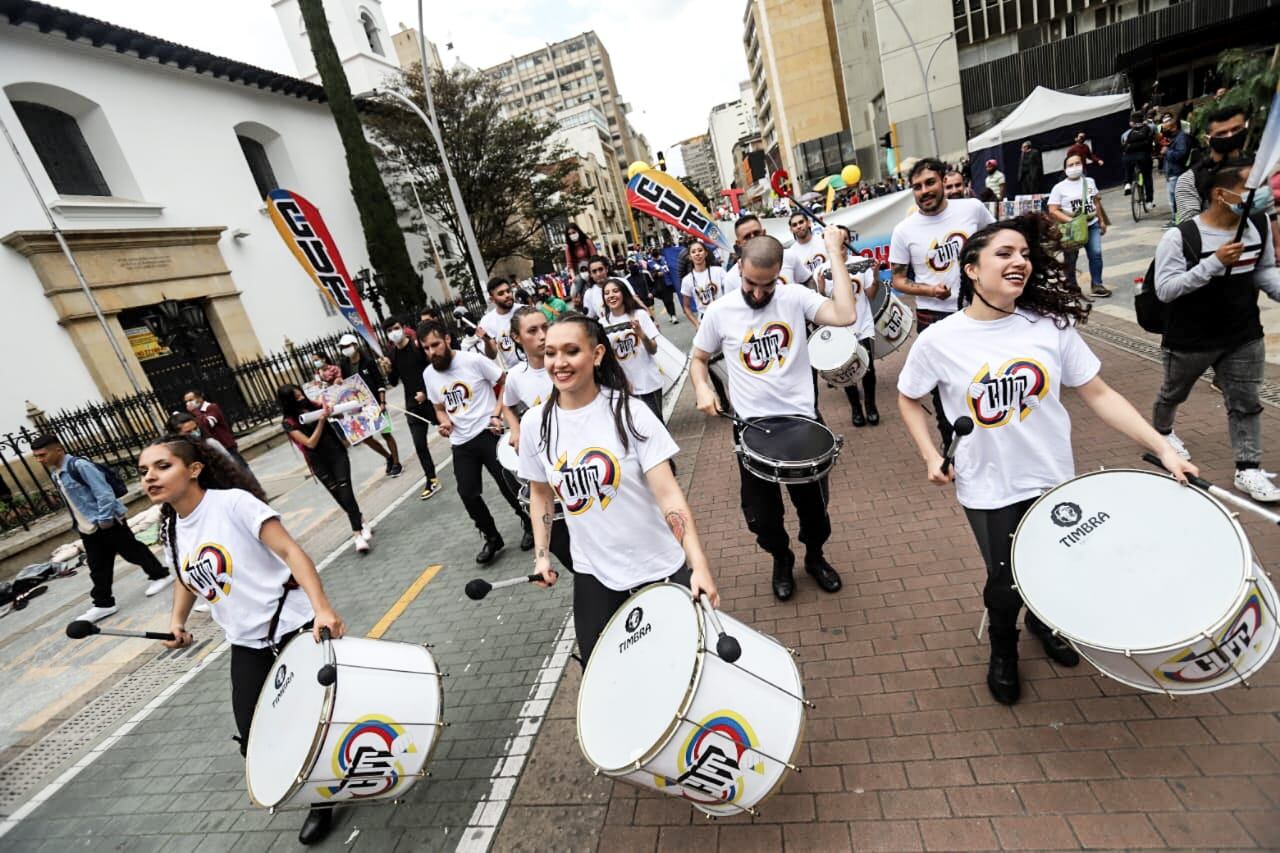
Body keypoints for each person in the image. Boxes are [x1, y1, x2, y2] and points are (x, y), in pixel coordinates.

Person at [896, 214, 1198, 705]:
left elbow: (1099, 394)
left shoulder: (1049, 327)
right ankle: (1003, 649)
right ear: (971, 269)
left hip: (1053, 478)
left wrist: (1164, 447)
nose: (1019, 261)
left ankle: (1043, 622)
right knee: (1005, 580)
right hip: (988, 485)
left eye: (1024, 254)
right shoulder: (939, 340)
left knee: (1056, 564)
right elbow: (908, 398)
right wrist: (931, 453)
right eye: (1004, 253)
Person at [142, 433, 344, 845]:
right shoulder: (171, 529)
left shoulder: (233, 504)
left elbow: (290, 552)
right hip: (247, 642)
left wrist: (322, 608)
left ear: (194, 469)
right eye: (143, 471)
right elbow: (185, 577)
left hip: (293, 626)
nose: (149, 477)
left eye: (162, 466)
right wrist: (177, 621)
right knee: (254, 736)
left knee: (317, 717)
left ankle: (322, 799)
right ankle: (315, 782)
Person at [519, 313, 719, 663]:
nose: (559, 363)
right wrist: (541, 556)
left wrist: (697, 564)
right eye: (550, 353)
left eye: (571, 351)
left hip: (658, 566)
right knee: (602, 672)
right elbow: (540, 493)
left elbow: (669, 495)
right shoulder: (536, 424)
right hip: (594, 574)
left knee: (679, 665)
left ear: (596, 354)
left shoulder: (630, 413)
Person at [690, 231, 857, 601]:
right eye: (751, 283)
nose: (758, 293)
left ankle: (815, 556)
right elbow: (698, 359)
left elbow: (846, 314)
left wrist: (834, 252)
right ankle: (781, 558)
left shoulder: (794, 297)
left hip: (802, 423)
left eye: (767, 285)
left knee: (815, 510)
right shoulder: (720, 311)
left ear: (780, 273)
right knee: (762, 515)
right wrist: (702, 387)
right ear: (739, 269)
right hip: (751, 429)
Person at [1152, 159, 1280, 501]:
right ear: (1221, 194)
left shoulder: (1258, 224)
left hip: (1243, 334)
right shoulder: (1181, 237)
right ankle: (1163, 431)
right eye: (1251, 188)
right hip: (1190, 339)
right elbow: (1166, 289)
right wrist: (1214, 263)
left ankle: (1248, 468)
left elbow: (1263, 270)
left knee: (1245, 402)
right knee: (1172, 393)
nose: (1262, 194)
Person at [889, 157, 996, 445]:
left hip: (979, 311)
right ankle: (953, 450)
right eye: (917, 187)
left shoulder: (972, 209)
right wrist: (929, 290)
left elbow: (996, 242)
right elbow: (898, 280)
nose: (924, 191)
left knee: (987, 378)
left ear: (943, 181)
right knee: (944, 390)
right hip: (933, 318)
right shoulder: (904, 231)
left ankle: (991, 439)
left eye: (929, 183)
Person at [419, 320, 530, 561]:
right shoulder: (428, 374)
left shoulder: (472, 361)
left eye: (435, 345)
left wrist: (497, 413)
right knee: (467, 493)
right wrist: (444, 423)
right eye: (426, 348)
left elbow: (505, 382)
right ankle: (492, 537)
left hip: (488, 432)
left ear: (447, 339)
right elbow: (439, 408)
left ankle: (529, 523)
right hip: (461, 442)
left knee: (506, 484)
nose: (431, 352)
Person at [31, 435, 171, 622]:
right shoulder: (56, 473)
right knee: (98, 566)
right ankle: (103, 604)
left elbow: (104, 494)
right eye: (36, 456)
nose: (40, 460)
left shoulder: (80, 466)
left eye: (42, 455)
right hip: (88, 527)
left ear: (58, 450)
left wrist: (104, 520)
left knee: (131, 551)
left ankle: (160, 575)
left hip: (107, 522)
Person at [500, 307, 573, 570]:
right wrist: (515, 429)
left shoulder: (570, 363)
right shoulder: (516, 377)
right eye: (533, 330)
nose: (543, 335)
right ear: (516, 338)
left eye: (546, 326)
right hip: (551, 466)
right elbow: (507, 405)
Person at [1175, 105, 1280, 257]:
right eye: (1222, 133)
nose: (1230, 136)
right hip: (1215, 257)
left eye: (1236, 129)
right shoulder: (1190, 179)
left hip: (1259, 254)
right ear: (1208, 139)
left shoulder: (1256, 169)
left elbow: (1269, 212)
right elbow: (1189, 229)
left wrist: (1277, 245)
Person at [277, 385, 371, 553]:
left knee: (345, 489)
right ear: (288, 401)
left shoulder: (315, 406)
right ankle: (361, 521)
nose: (301, 398)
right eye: (296, 397)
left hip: (336, 452)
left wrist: (333, 409)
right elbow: (310, 443)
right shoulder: (288, 422)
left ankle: (357, 534)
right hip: (318, 461)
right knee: (339, 495)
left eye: (301, 394)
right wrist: (321, 421)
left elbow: (338, 411)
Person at [379, 316, 441, 500]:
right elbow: (393, 382)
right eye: (389, 331)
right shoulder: (391, 354)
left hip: (431, 400)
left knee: (451, 430)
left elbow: (432, 370)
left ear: (403, 327)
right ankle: (431, 479)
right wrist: (388, 370)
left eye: (396, 328)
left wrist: (425, 392)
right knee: (420, 445)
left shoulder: (417, 347)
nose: (394, 333)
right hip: (412, 405)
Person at [827, 225, 881, 426]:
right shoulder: (823, 269)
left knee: (868, 368)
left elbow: (871, 295)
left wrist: (876, 276)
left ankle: (871, 406)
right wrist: (821, 288)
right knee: (846, 371)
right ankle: (856, 409)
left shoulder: (861, 263)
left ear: (849, 241)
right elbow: (825, 303)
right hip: (840, 329)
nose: (841, 244)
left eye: (845, 239)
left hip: (863, 325)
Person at [337, 333, 403, 478]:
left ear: (355, 345)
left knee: (386, 433)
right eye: (342, 347)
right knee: (365, 437)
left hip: (375, 404)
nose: (345, 349)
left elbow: (380, 382)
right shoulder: (344, 364)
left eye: (347, 346)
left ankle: (397, 462)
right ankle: (388, 457)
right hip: (358, 407)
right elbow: (347, 385)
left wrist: (382, 402)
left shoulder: (368, 362)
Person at [1047, 153, 1112, 298]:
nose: (1074, 167)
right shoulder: (1059, 188)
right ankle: (1072, 286)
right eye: (1070, 165)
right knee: (1071, 258)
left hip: (1092, 224)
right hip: (1071, 228)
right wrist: (1071, 221)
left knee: (1096, 254)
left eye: (1077, 163)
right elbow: (1053, 210)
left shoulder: (1089, 182)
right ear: (1065, 169)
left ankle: (1097, 284)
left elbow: (1096, 202)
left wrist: (1101, 221)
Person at [602, 279, 665, 419]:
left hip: (648, 383)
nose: (611, 295)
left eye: (615, 291)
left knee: (655, 424)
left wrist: (641, 334)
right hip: (624, 388)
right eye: (606, 293)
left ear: (624, 293)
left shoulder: (640, 315)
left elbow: (653, 350)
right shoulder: (602, 324)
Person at [723, 214, 814, 290]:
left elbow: (807, 280)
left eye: (756, 233)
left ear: (764, 233)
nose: (753, 238)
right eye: (747, 237)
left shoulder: (787, 256)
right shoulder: (731, 279)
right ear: (739, 243)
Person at [183, 389, 249, 471]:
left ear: (199, 398)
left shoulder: (211, 407)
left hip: (226, 445)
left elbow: (208, 424)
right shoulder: (194, 414)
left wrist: (195, 411)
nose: (188, 403)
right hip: (213, 449)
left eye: (190, 400)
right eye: (186, 401)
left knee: (241, 468)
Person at [477, 277, 523, 370]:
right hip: (515, 371)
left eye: (508, 291)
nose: (507, 295)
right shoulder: (487, 322)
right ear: (492, 299)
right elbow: (492, 355)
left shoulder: (525, 310)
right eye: (501, 293)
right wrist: (487, 342)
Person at [679, 241, 727, 327]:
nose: (697, 254)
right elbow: (686, 307)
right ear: (690, 257)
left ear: (706, 253)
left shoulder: (719, 271)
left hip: (723, 317)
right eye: (693, 252)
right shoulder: (687, 280)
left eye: (700, 250)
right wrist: (697, 324)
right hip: (704, 321)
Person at [1160, 113, 1193, 225]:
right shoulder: (1173, 138)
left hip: (1176, 172)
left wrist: (1167, 152)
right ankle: (1176, 219)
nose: (1164, 128)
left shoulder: (1181, 137)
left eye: (1167, 126)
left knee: (1176, 198)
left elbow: (1181, 154)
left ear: (1174, 127)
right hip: (1171, 172)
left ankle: (1178, 220)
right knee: (1173, 198)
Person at [580, 256, 637, 320]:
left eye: (600, 269)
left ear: (606, 269)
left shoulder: (622, 282)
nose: (598, 274)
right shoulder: (589, 294)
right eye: (594, 271)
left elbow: (635, 302)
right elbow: (589, 318)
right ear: (590, 274)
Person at [783, 211, 828, 286]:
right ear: (791, 230)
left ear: (809, 223)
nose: (798, 226)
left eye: (801, 222)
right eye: (794, 225)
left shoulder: (824, 240)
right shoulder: (791, 253)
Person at [1121, 111, 1156, 205]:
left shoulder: (1128, 133)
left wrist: (1129, 147)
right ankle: (1149, 201)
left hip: (1129, 157)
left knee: (1128, 169)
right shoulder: (1149, 128)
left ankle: (1127, 183)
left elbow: (1124, 145)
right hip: (1144, 156)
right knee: (1147, 177)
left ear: (1132, 122)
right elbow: (1151, 142)